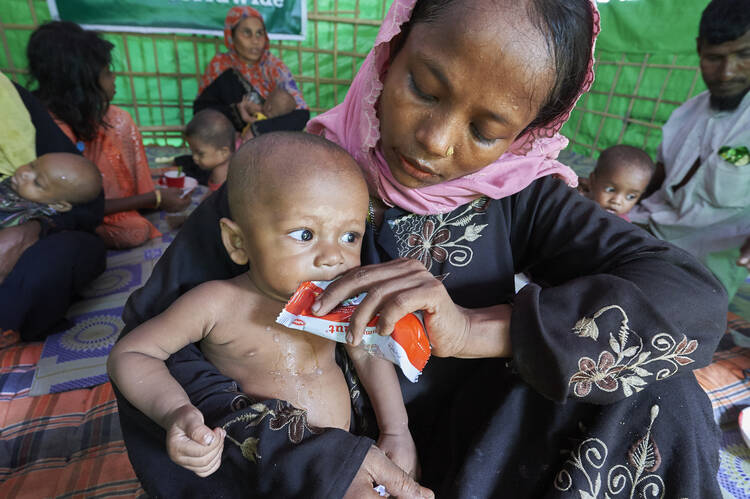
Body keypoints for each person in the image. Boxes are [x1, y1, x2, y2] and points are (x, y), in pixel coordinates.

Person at [117, 1, 727, 497]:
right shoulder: (282, 163)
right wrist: (312, 458)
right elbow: (151, 346)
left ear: (528, 134)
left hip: (475, 448)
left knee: (660, 391)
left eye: (487, 132)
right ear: (394, 45)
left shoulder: (522, 196)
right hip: (306, 462)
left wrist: (476, 331)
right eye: (424, 87)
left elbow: (690, 299)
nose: (434, 141)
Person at [109, 131, 419, 482]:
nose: (334, 257)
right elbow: (132, 354)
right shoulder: (218, 304)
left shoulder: (340, 301)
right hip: (260, 474)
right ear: (238, 242)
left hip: (340, 464)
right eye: (305, 234)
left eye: (350, 236)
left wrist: (396, 430)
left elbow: (366, 353)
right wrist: (177, 412)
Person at [26, 21, 190, 249]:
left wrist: (151, 196)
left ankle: (134, 199)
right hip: (71, 210)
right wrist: (157, 198)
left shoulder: (92, 113)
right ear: (81, 85)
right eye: (106, 73)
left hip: (99, 200)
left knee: (118, 119)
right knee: (134, 231)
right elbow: (71, 205)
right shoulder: (52, 132)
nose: (114, 77)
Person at [630, 0, 750, 299]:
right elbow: (662, 173)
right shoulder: (686, 112)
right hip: (650, 230)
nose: (726, 73)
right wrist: (614, 194)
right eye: (714, 57)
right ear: (698, 48)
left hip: (705, 264)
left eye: (745, 55)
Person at [0, 74, 106, 343]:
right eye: (30, 166)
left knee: (61, 258)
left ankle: (14, 326)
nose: (23, 174)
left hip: (24, 252)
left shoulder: (8, 98)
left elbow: (88, 204)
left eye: (36, 177)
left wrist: (30, 229)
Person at [194, 6, 310, 139]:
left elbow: (301, 114)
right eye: (247, 33)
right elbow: (201, 111)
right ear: (231, 36)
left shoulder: (274, 67)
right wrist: (238, 110)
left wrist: (258, 129)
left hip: (270, 141)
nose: (255, 41)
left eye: (259, 33)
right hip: (229, 144)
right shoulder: (220, 66)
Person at [1, 152, 102, 227]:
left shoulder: (23, 215)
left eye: (37, 183)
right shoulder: (20, 189)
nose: (25, 174)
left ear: (58, 205)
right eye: (31, 165)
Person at [578, 144, 654, 221]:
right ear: (592, 180)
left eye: (631, 197)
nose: (617, 201)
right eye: (610, 190)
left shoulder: (622, 226)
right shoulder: (577, 200)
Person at [181, 109, 239, 191]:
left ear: (223, 153)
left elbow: (217, 201)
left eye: (200, 153)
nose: (194, 158)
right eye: (192, 152)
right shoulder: (233, 166)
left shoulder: (220, 175)